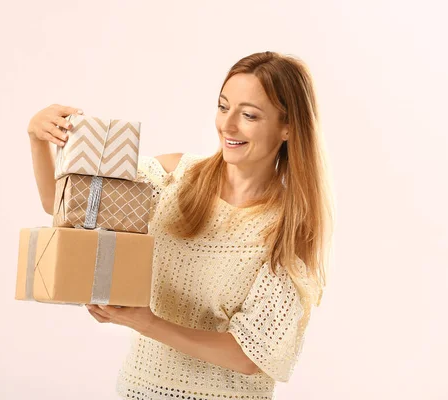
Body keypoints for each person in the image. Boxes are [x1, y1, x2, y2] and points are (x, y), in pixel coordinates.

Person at [26, 51, 334, 400]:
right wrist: (38, 139)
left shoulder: (290, 228)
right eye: (223, 107)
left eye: (248, 115)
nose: (228, 125)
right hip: (138, 390)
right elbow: (63, 205)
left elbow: (252, 355)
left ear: (288, 126)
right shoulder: (174, 179)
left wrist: (146, 323)